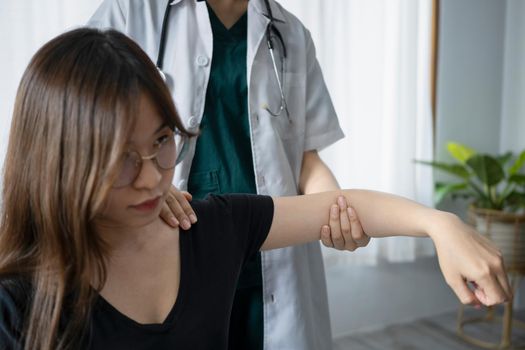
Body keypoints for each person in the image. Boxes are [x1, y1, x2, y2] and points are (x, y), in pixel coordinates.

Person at [0, 28, 511, 350]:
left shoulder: (209, 228)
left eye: (162, 141)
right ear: (62, 159)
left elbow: (339, 200)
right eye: (120, 159)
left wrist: (442, 225)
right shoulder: (18, 300)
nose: (154, 175)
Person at [87, 1, 370, 349]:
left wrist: (337, 211)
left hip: (269, 247)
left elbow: (305, 157)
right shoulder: (132, 11)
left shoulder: (291, 32)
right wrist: (154, 185)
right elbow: (76, 119)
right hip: (172, 240)